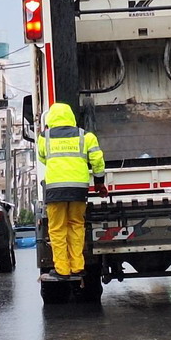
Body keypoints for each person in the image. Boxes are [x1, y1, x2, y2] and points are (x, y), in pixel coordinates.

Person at [37, 102, 106, 280]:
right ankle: (77, 266)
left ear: (51, 118)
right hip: (78, 189)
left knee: (57, 229)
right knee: (76, 225)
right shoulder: (86, 136)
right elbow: (97, 161)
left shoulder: (44, 137)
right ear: (71, 117)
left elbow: (43, 158)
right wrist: (99, 182)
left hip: (55, 190)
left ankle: (62, 269)